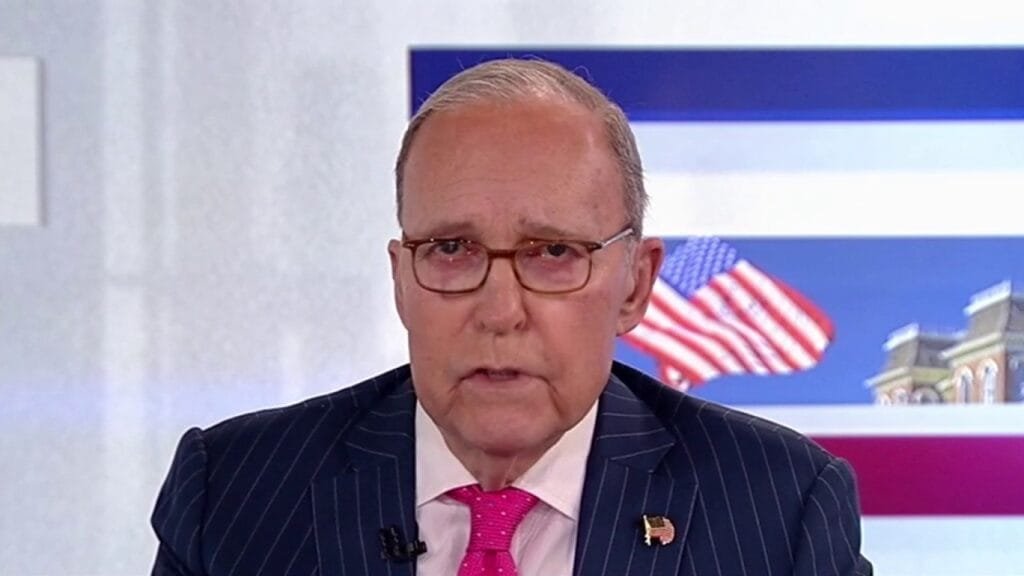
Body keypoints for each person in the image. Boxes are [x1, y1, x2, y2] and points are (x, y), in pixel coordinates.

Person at [151, 58, 873, 576]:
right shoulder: (235, 492)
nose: (500, 312)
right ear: (401, 280)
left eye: (554, 252)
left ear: (634, 285)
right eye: (452, 249)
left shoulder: (779, 509)